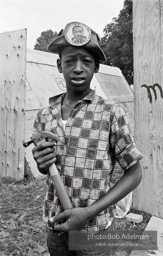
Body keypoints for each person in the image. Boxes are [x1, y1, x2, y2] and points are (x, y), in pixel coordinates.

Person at [32, 21, 143, 256]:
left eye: (87, 61)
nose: (78, 68)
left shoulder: (111, 113)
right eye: (70, 60)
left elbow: (135, 173)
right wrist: (42, 164)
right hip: (57, 229)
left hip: (94, 232)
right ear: (59, 65)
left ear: (97, 68)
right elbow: (46, 169)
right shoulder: (45, 115)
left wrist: (88, 212)